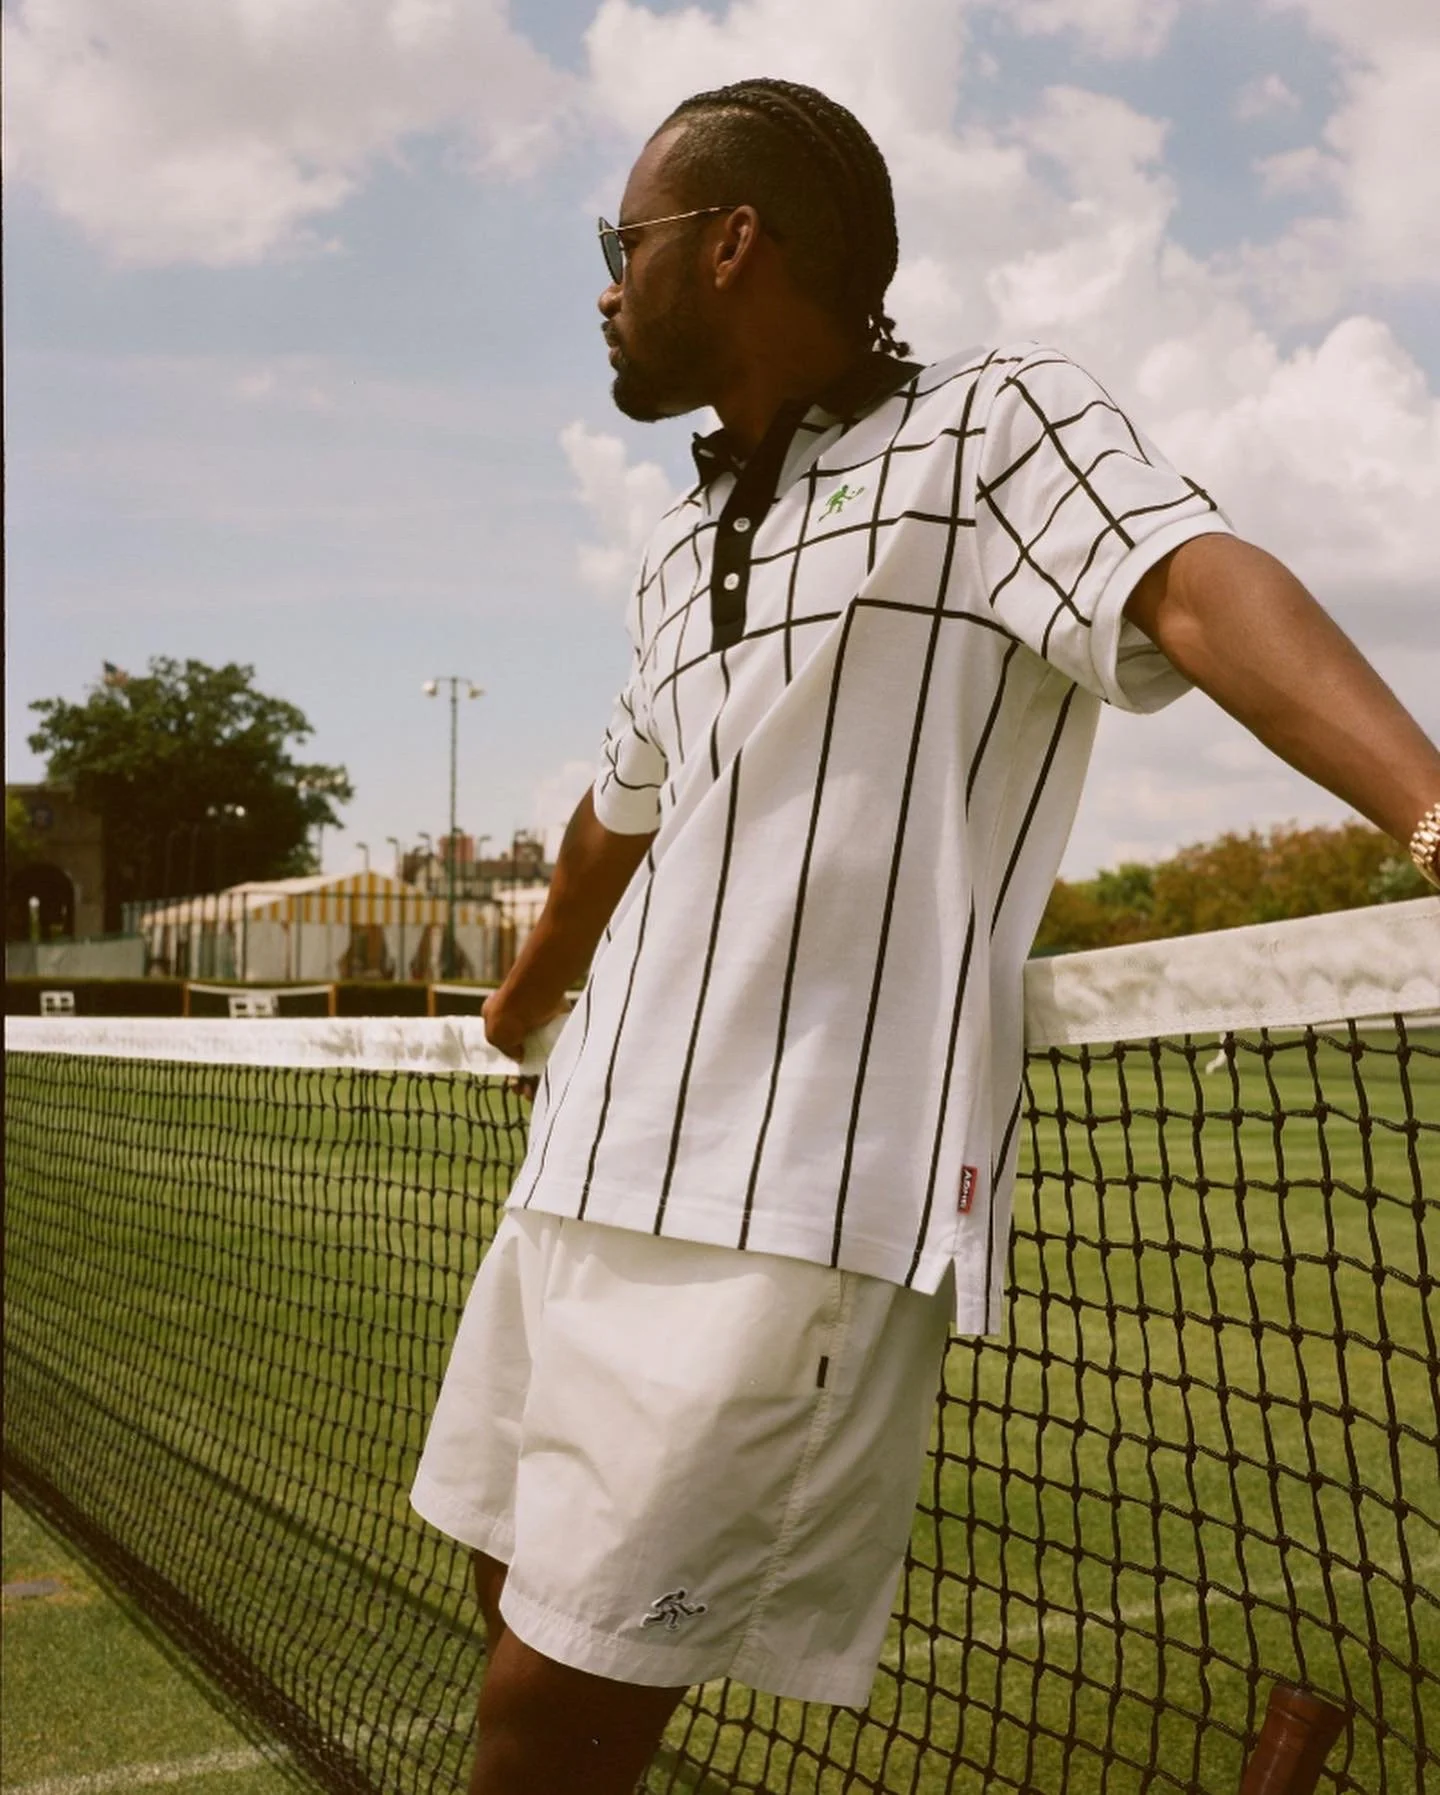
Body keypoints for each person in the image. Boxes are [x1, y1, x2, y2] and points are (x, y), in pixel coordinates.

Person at [410, 77, 1440, 1795]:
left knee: (548, 1718)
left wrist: (1431, 809)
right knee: (503, 1577)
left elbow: (1191, 580)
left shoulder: (995, 424)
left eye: (623, 242)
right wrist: (520, 1008)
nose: (602, 284)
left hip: (790, 1214)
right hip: (581, 1171)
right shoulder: (679, 540)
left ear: (731, 242)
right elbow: (620, 811)